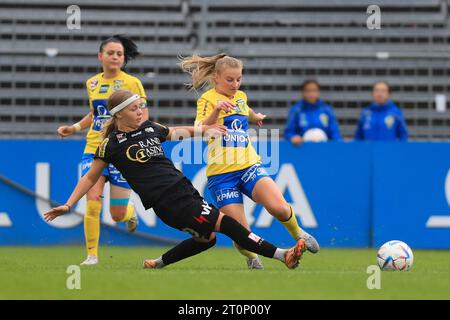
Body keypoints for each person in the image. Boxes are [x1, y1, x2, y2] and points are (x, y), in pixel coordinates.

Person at [44, 90, 307, 270]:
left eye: (141, 108)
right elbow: (90, 177)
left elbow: (178, 132)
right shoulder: (110, 145)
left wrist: (205, 129)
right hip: (170, 200)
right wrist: (68, 204)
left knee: (207, 239)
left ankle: (158, 263)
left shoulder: (150, 128)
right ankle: (283, 255)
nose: (140, 112)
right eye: (135, 109)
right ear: (119, 114)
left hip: (183, 191)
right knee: (227, 225)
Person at [179, 54, 319, 270]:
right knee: (242, 235)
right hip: (221, 176)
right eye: (229, 79)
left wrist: (255, 117)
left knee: (280, 208)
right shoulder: (207, 100)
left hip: (248, 166)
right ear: (216, 77)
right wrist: (216, 111)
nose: (235, 84)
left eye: (238, 79)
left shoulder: (241, 96)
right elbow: (199, 128)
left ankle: (299, 234)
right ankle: (252, 258)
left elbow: (245, 110)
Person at [56, 35, 148, 266]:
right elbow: (95, 115)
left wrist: (137, 136)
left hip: (120, 149)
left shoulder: (132, 83)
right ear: (101, 56)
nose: (115, 57)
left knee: (117, 215)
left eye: (119, 54)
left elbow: (142, 113)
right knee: (93, 198)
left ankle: (129, 212)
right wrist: (74, 127)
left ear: (123, 58)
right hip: (94, 147)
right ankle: (92, 255)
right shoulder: (92, 83)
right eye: (111, 53)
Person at [284, 80, 342, 145]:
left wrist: (337, 144)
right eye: (308, 91)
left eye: (314, 90)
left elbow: (334, 132)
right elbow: (289, 132)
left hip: (324, 149)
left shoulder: (326, 110)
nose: (311, 93)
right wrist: (293, 138)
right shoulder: (296, 110)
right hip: (301, 149)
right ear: (303, 92)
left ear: (318, 92)